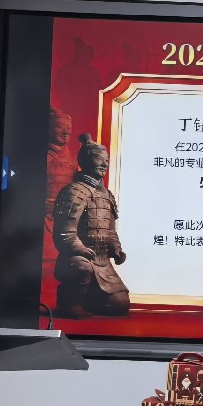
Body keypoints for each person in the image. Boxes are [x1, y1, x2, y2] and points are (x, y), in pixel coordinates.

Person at [52, 135, 129, 317]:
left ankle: (90, 296)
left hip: (102, 262)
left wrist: (116, 249)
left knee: (120, 304)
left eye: (106, 160)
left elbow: (110, 230)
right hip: (77, 259)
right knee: (82, 268)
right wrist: (80, 249)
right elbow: (64, 232)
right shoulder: (74, 191)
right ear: (85, 160)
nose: (104, 164)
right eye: (98, 158)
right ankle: (70, 302)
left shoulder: (107, 195)